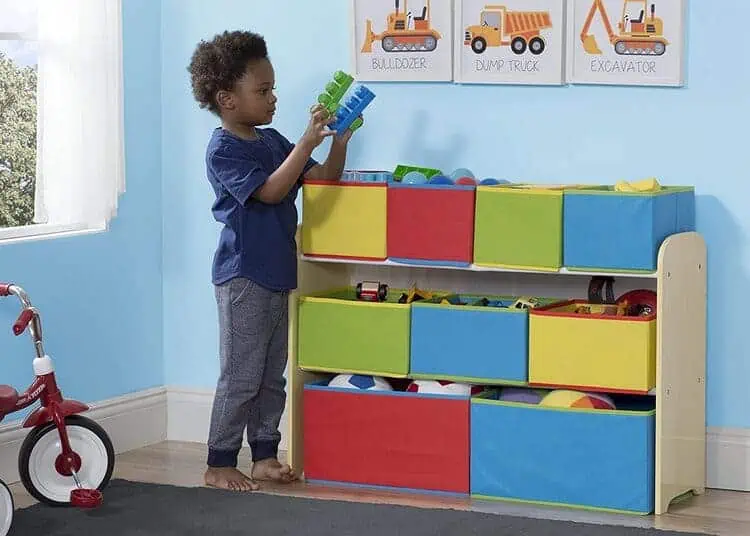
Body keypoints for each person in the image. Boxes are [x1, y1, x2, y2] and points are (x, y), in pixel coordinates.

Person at [187, 30, 358, 491]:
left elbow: (320, 178)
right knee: (241, 374)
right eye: (262, 91)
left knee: (271, 374)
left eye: (272, 88)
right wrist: (305, 140)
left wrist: (337, 141)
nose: (273, 98)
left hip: (279, 273)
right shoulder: (224, 149)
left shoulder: (271, 141)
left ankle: (264, 454)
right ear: (227, 99)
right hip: (243, 275)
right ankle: (219, 461)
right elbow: (270, 191)